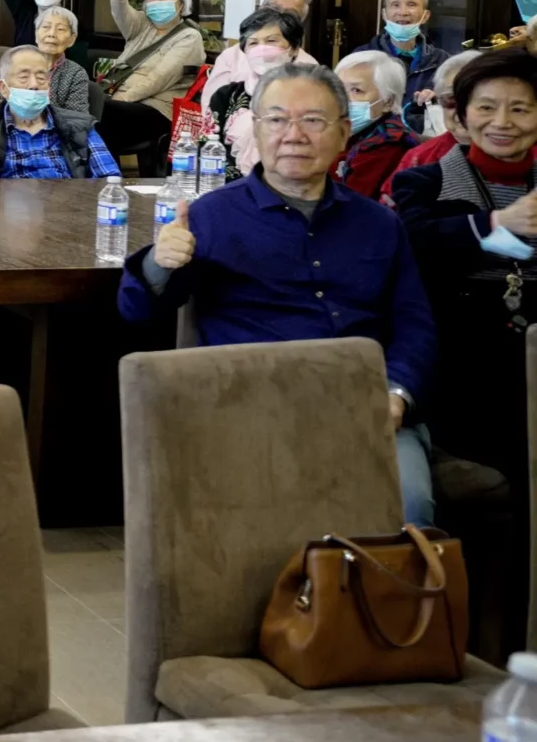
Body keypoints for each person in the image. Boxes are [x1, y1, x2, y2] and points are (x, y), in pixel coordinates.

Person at [125, 61, 436, 526]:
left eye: (313, 120)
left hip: (363, 404)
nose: (294, 134)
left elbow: (414, 325)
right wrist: (159, 262)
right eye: (276, 120)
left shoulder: (379, 224)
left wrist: (395, 394)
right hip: (251, 406)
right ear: (256, 129)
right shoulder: (210, 217)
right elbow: (136, 311)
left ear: (344, 131)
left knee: (407, 506)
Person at [393, 49, 537, 584]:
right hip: (464, 371)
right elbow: (416, 249)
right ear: (460, 115)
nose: (503, 123)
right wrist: (497, 223)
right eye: (488, 108)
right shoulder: (423, 185)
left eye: (521, 110)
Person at [98, 0, 208, 173]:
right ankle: (103, 177)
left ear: (181, 3)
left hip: (157, 109)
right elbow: (121, 12)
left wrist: (124, 98)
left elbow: (161, 77)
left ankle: (108, 178)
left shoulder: (189, 37)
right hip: (119, 104)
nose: (157, 3)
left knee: (103, 111)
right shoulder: (141, 25)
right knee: (87, 108)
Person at [0, 46, 121, 180]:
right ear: (3, 88)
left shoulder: (80, 128)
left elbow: (109, 181)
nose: (34, 85)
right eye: (23, 77)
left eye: (41, 77)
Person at [200, 8, 305, 185]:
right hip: (229, 192)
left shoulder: (309, 95)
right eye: (253, 43)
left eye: (271, 41)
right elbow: (206, 149)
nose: (261, 49)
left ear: (293, 49)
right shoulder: (226, 96)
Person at [361, 0, 451, 134]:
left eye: (411, 4)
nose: (403, 12)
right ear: (384, 14)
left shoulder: (442, 62)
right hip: (375, 140)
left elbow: (454, 103)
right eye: (395, 5)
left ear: (425, 15)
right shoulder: (362, 58)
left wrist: (438, 100)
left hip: (422, 143)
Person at [391, 49, 482, 191]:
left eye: (475, 99)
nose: (463, 110)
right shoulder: (418, 158)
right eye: (451, 99)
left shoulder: (517, 155)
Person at [337, 50, 420, 202]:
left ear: (388, 102)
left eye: (356, 90)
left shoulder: (387, 145)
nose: (342, 99)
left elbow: (350, 204)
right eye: (339, 88)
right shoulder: (344, 132)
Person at [204, 0, 316, 95]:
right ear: (261, 8)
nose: (278, 15)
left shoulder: (309, 69)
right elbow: (210, 103)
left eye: (290, 14)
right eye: (274, 8)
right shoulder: (231, 56)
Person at [0, 4, 91, 118]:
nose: (52, 34)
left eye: (60, 29)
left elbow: (78, 118)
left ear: (72, 39)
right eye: (46, 27)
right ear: (36, 34)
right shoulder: (18, 61)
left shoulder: (76, 73)